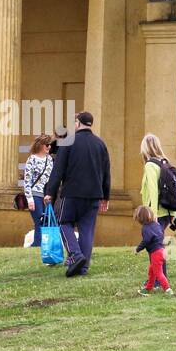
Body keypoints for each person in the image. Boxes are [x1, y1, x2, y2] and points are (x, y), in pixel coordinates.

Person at [43, 111, 111, 278]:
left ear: (78, 123)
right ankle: (83, 268)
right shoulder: (100, 144)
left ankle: (75, 254)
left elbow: (57, 171)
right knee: (87, 230)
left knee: (63, 222)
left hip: (72, 193)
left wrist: (50, 192)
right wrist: (106, 197)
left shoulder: (68, 142)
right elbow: (106, 172)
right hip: (94, 195)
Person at [140, 133, 176, 280]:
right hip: (167, 211)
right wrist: (174, 215)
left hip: (155, 213)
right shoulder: (165, 162)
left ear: (145, 148)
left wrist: (152, 213)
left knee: (154, 247)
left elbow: (152, 190)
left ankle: (158, 279)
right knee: (157, 245)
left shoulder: (150, 165)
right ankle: (158, 277)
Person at [22, 134, 54, 248]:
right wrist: (29, 199)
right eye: (47, 144)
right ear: (40, 145)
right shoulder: (32, 159)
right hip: (35, 195)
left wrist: (50, 194)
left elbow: (51, 179)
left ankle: (42, 245)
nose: (49, 147)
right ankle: (37, 245)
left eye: (50, 145)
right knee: (39, 220)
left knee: (46, 221)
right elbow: (27, 181)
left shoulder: (49, 159)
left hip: (46, 195)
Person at [134, 205, 173, 296]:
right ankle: (148, 289)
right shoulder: (156, 225)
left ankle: (168, 289)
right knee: (151, 271)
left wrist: (138, 249)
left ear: (139, 218)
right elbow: (161, 235)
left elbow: (146, 241)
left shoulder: (145, 228)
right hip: (162, 251)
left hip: (155, 253)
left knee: (158, 273)